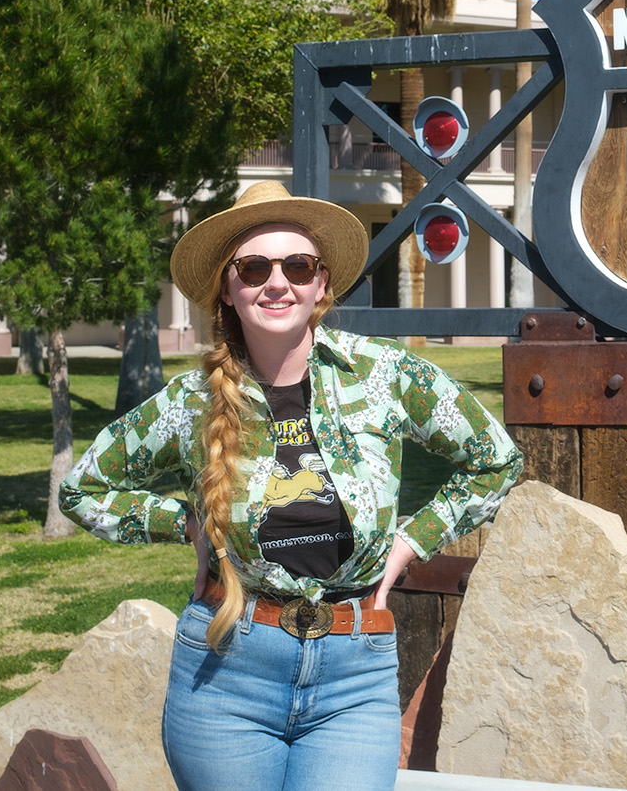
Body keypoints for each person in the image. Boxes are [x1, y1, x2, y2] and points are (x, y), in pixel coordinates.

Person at [59, 181, 522, 791]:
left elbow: (495, 460)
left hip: (355, 675)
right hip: (227, 672)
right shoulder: (190, 403)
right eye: (253, 267)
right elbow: (83, 488)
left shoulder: (386, 375)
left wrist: (409, 546)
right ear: (228, 288)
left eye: (297, 266)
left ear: (321, 283)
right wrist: (188, 526)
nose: (277, 283)